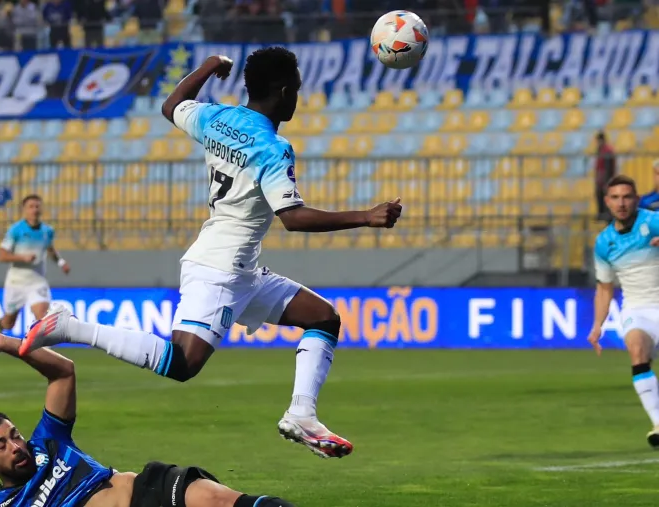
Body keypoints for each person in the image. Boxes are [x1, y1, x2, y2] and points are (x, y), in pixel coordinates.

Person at [20, 48, 402, 459]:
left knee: (323, 317)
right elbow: (293, 217)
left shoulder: (219, 119)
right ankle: (70, 327)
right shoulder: (272, 148)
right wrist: (367, 216)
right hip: (220, 268)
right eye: (298, 90)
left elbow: (172, 106)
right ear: (284, 90)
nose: (298, 98)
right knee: (181, 364)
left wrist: (207, 67)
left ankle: (301, 413)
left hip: (241, 267)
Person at [0, 330, 299, 507]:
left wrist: (8, 343)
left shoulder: (48, 442)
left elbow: (63, 373)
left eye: (14, 435)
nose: (14, 446)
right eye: (1, 445)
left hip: (147, 492)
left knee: (218, 500)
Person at [587, 175, 659, 448]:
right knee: (637, 351)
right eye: (615, 198)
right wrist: (597, 326)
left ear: (636, 199)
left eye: (627, 197)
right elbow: (604, 288)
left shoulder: (651, 221)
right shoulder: (604, 242)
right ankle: (658, 422)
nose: (621, 203)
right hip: (637, 309)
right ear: (606, 202)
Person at [0, 195, 70, 334]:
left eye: (37, 206)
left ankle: (43, 351)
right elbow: (2, 256)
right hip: (16, 282)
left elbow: (50, 249)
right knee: (9, 323)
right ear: (24, 209)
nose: (34, 210)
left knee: (44, 318)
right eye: (31, 206)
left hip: (37, 281)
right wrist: (22, 257)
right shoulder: (15, 230)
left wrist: (61, 262)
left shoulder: (47, 231)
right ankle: (0, 324)